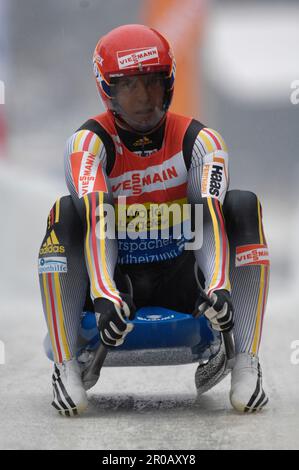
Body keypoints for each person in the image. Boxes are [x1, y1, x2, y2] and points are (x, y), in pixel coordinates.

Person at [38, 24, 270, 417]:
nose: (144, 98)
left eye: (152, 83)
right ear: (107, 90)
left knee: (243, 204)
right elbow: (96, 217)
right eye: (129, 86)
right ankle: (65, 364)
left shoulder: (202, 141)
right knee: (64, 212)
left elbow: (210, 214)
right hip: (117, 277)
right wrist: (104, 293)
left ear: (170, 83)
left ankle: (246, 361)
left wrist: (218, 287)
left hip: (182, 274)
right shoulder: (87, 143)